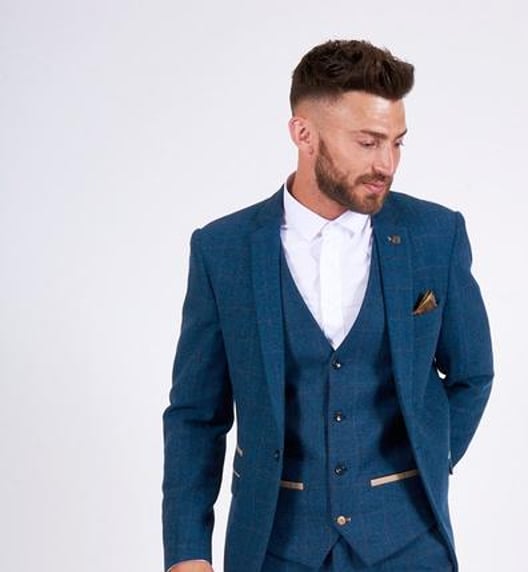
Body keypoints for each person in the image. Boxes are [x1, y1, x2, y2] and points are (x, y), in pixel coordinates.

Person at [162, 39, 493, 572]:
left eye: (397, 143)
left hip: (410, 545)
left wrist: (427, 457)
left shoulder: (436, 234)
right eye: (367, 142)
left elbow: (472, 373)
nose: (386, 163)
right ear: (303, 134)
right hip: (274, 548)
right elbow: (196, 415)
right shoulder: (223, 250)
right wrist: (187, 552)